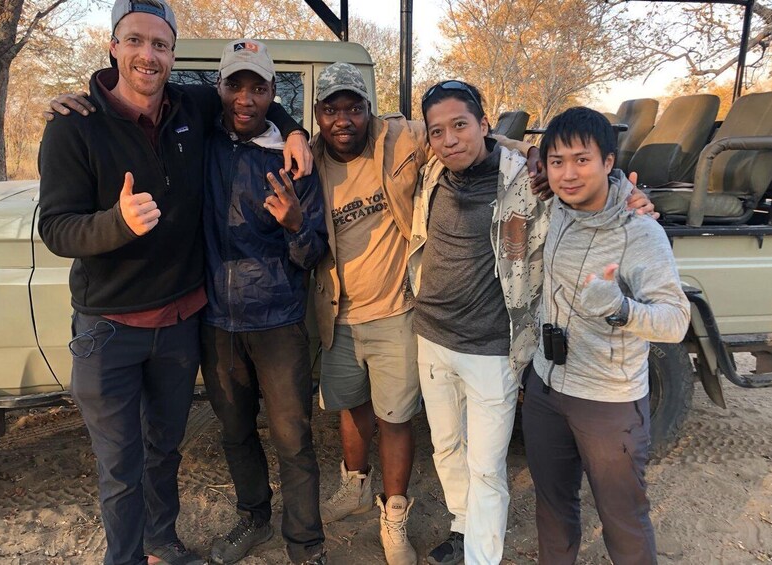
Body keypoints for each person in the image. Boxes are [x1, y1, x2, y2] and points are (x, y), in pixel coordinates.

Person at [37, 2, 309, 564]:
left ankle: (162, 543)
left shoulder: (192, 105)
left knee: (164, 451)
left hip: (182, 323)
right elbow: (56, 229)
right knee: (120, 466)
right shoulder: (73, 127)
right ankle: (128, 557)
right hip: (110, 328)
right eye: (135, 41)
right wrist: (118, 224)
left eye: (160, 45)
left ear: (173, 54)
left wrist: (295, 128)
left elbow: (256, 101)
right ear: (113, 46)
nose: (148, 55)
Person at [408, 84, 656, 565]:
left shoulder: (529, 178)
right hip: (431, 337)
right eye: (437, 131)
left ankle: (482, 557)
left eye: (461, 125)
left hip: (492, 346)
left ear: (485, 126)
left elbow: (585, 181)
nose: (450, 139)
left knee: (485, 466)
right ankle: (463, 527)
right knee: (445, 448)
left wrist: (630, 192)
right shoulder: (431, 172)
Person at [310, 64, 538, 565]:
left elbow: (475, 136)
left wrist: (535, 152)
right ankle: (447, 523)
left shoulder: (511, 176)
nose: (449, 138)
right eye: (332, 108)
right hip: (398, 327)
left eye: (353, 107)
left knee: (462, 452)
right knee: (435, 442)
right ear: (318, 114)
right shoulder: (317, 159)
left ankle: (443, 537)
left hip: (451, 331)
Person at [522, 106, 690, 564]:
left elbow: (676, 321)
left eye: (582, 160)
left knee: (623, 521)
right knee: (553, 509)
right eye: (557, 162)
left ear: (609, 163)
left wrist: (618, 308)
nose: (569, 173)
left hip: (608, 401)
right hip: (546, 386)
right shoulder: (556, 206)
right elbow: (489, 141)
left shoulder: (640, 232)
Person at [199, 39, 328, 565]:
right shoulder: (201, 142)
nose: (246, 98)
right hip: (216, 320)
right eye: (236, 85)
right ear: (221, 89)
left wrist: (297, 227)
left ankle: (306, 544)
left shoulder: (292, 159)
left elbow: (315, 249)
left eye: (259, 87)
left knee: (293, 438)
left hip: (278, 319)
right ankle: (253, 516)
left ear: (273, 91)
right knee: (234, 431)